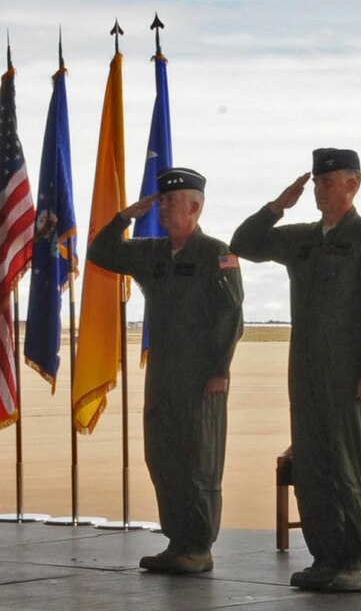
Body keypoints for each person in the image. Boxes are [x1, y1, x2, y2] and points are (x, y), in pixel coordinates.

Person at [231, 148, 361, 592]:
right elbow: (243, 245)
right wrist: (276, 207)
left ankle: (359, 556)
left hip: (349, 364)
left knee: (349, 462)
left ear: (352, 184)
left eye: (329, 182)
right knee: (312, 463)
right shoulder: (301, 237)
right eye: (317, 183)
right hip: (304, 364)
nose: (320, 190)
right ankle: (326, 556)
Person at [86, 167, 244, 573]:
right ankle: (178, 540)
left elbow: (230, 317)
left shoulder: (216, 253)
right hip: (163, 371)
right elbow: (100, 253)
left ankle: (199, 545)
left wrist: (219, 370)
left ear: (195, 207)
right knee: (162, 455)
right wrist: (125, 217)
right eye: (163, 201)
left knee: (198, 460)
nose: (165, 208)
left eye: (173, 202)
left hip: (200, 374)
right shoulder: (152, 252)